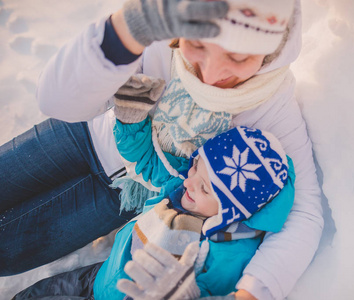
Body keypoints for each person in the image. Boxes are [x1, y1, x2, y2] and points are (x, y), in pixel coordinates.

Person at [0, 0, 324, 299]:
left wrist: (248, 294)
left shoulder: (273, 105)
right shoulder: (161, 26)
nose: (210, 76)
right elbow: (56, 100)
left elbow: (305, 214)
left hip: (123, 197)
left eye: (238, 58)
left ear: (272, 46)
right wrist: (130, 29)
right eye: (196, 45)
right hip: (87, 131)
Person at [13, 102, 295, 299]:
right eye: (196, 167)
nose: (189, 181)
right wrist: (130, 122)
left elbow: (210, 291)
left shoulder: (227, 253)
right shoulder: (183, 190)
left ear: (233, 211)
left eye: (206, 188)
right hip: (99, 276)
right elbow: (147, 160)